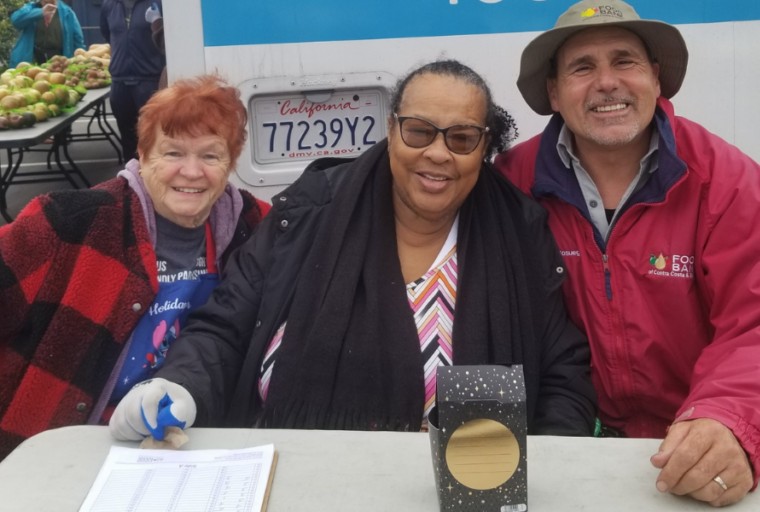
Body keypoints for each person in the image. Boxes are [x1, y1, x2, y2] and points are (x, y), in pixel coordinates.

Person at [110, 60, 597, 441]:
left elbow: (562, 370)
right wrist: (180, 386)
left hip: (466, 493)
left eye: (463, 138)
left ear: (483, 147)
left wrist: (552, 455)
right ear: (391, 131)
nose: (439, 153)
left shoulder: (519, 230)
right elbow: (225, 327)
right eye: (420, 131)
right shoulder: (309, 212)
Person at [0, 76, 269, 512]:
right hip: (26, 467)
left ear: (231, 162)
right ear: (141, 156)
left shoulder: (255, 231)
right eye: (172, 153)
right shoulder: (71, 225)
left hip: (171, 467)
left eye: (210, 155)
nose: (191, 172)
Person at [494, 0, 760, 507]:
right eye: (582, 67)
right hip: (561, 445)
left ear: (654, 77)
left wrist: (733, 423)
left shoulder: (727, 181)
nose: (607, 82)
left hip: (690, 443)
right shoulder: (509, 184)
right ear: (554, 94)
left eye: (624, 60)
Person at [100, 0, 166, 162]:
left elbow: (167, 39)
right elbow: (108, 34)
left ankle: (156, 178)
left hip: (149, 80)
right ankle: (131, 178)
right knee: (127, 136)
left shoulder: (158, 3)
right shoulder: (109, 5)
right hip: (120, 81)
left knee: (155, 134)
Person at [8, 0, 86, 67]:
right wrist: (40, 12)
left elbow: (78, 40)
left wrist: (80, 60)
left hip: (58, 60)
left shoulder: (68, 13)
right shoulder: (31, 8)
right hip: (34, 58)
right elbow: (16, 20)